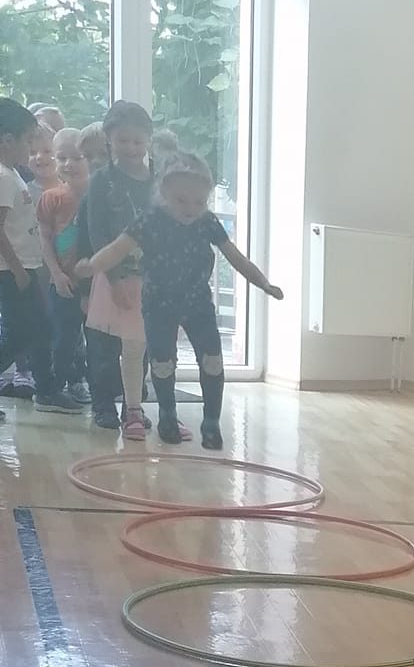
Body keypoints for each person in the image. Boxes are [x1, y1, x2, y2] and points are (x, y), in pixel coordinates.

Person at [79, 150, 282, 451]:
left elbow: (236, 257)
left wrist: (263, 283)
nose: (191, 209)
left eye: (199, 202)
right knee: (163, 362)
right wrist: (92, 265)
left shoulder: (207, 222)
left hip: (197, 303)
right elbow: (117, 249)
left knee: (212, 360)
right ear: (164, 193)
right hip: (159, 304)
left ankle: (211, 423)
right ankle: (168, 417)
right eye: (182, 200)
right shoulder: (149, 221)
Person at [0, 99, 85, 417]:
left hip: (24, 268)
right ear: (8, 141)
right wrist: (18, 270)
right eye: (27, 141)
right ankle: (47, 390)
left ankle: (46, 390)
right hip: (12, 271)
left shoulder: (11, 174)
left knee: (39, 328)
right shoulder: (3, 177)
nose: (30, 149)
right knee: (22, 331)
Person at [83, 100, 155, 439]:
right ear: (109, 140)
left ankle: (133, 406)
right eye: (123, 140)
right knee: (105, 346)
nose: (131, 147)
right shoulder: (102, 180)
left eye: (138, 141)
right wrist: (112, 278)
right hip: (114, 273)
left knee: (140, 345)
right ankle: (103, 404)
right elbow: (96, 230)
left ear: (148, 140)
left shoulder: (159, 179)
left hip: (151, 277)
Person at [37, 128, 91, 405]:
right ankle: (58, 386)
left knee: (95, 339)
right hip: (63, 282)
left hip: (95, 282)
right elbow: (45, 239)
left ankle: (84, 382)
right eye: (62, 158)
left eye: (77, 158)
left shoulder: (100, 196)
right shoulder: (51, 197)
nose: (69, 164)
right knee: (64, 337)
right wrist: (57, 274)